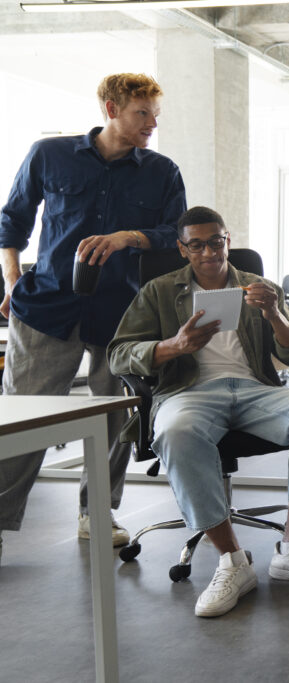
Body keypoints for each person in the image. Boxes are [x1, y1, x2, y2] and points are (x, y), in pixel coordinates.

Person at [107, 206, 289, 617]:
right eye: (196, 244)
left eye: (215, 241)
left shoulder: (260, 287)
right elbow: (118, 355)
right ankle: (233, 562)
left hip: (255, 390)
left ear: (227, 241)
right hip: (190, 391)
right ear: (183, 249)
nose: (208, 252)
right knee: (176, 432)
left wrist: (274, 314)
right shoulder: (159, 292)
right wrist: (173, 347)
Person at [0, 73, 186, 558]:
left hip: (122, 313)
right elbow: (13, 219)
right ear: (111, 109)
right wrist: (11, 278)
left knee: (115, 419)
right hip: (45, 306)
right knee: (23, 415)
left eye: (155, 115)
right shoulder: (50, 154)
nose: (151, 124)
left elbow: (176, 234)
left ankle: (96, 512)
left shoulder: (163, 171)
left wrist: (130, 237)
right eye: (141, 114)